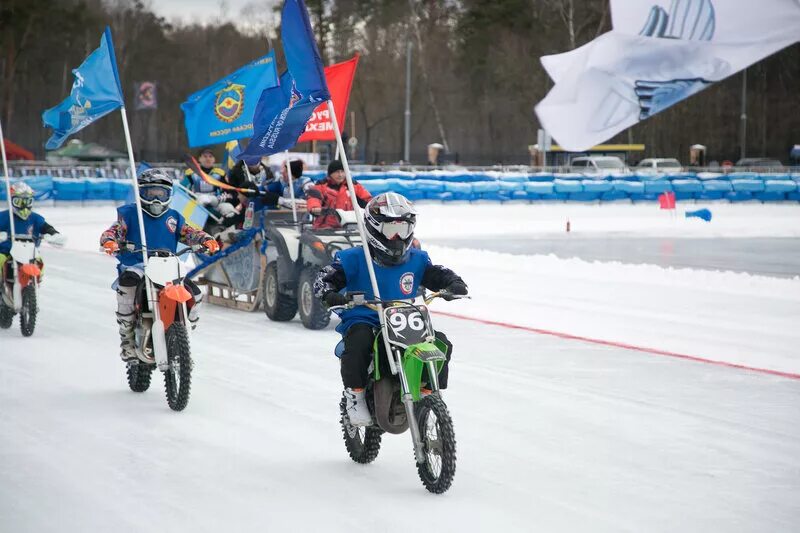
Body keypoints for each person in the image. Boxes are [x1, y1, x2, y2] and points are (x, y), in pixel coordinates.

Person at [313, 192, 468, 425]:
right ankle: (355, 394)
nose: (396, 237)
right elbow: (325, 279)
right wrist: (329, 293)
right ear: (374, 229)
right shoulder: (354, 258)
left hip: (404, 318)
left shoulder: (417, 259)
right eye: (390, 230)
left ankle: (428, 397)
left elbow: (435, 273)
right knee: (359, 342)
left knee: (440, 342)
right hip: (365, 316)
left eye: (403, 230)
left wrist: (452, 283)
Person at [99, 169, 219, 362]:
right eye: (151, 192)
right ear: (142, 193)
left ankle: (185, 328)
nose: (156, 198)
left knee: (195, 293)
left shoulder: (173, 217)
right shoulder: (130, 214)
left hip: (168, 266)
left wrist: (205, 239)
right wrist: (110, 241)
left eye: (160, 193)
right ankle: (127, 337)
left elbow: (189, 232)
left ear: (168, 195)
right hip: (138, 264)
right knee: (127, 285)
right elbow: (113, 231)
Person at [0, 182, 65, 282]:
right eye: (19, 202)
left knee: (40, 263)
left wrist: (54, 235)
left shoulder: (35, 218)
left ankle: (35, 283)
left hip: (30, 252)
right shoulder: (4, 216)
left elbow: (46, 227)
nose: (24, 206)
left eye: (27, 202)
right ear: (11, 201)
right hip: (6, 251)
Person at [306, 159, 371, 229]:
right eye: (337, 172)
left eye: (342, 171)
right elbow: (314, 199)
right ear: (330, 173)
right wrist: (315, 208)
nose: (340, 175)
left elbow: (368, 200)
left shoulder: (353, 186)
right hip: (324, 228)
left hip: (349, 228)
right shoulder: (321, 186)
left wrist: (376, 208)